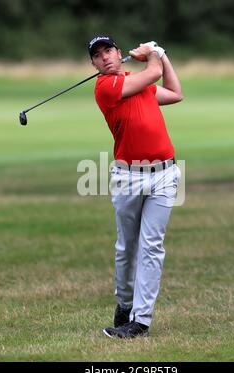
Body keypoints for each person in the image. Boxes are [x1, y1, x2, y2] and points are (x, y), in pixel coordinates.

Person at [88, 35, 184, 338]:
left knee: (151, 247)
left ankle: (140, 321)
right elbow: (153, 73)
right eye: (97, 55)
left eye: (108, 51)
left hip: (165, 174)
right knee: (127, 248)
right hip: (129, 176)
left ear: (119, 53)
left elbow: (175, 92)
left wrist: (161, 54)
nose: (104, 57)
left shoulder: (136, 81)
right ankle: (125, 302)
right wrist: (153, 53)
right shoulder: (106, 88)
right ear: (93, 63)